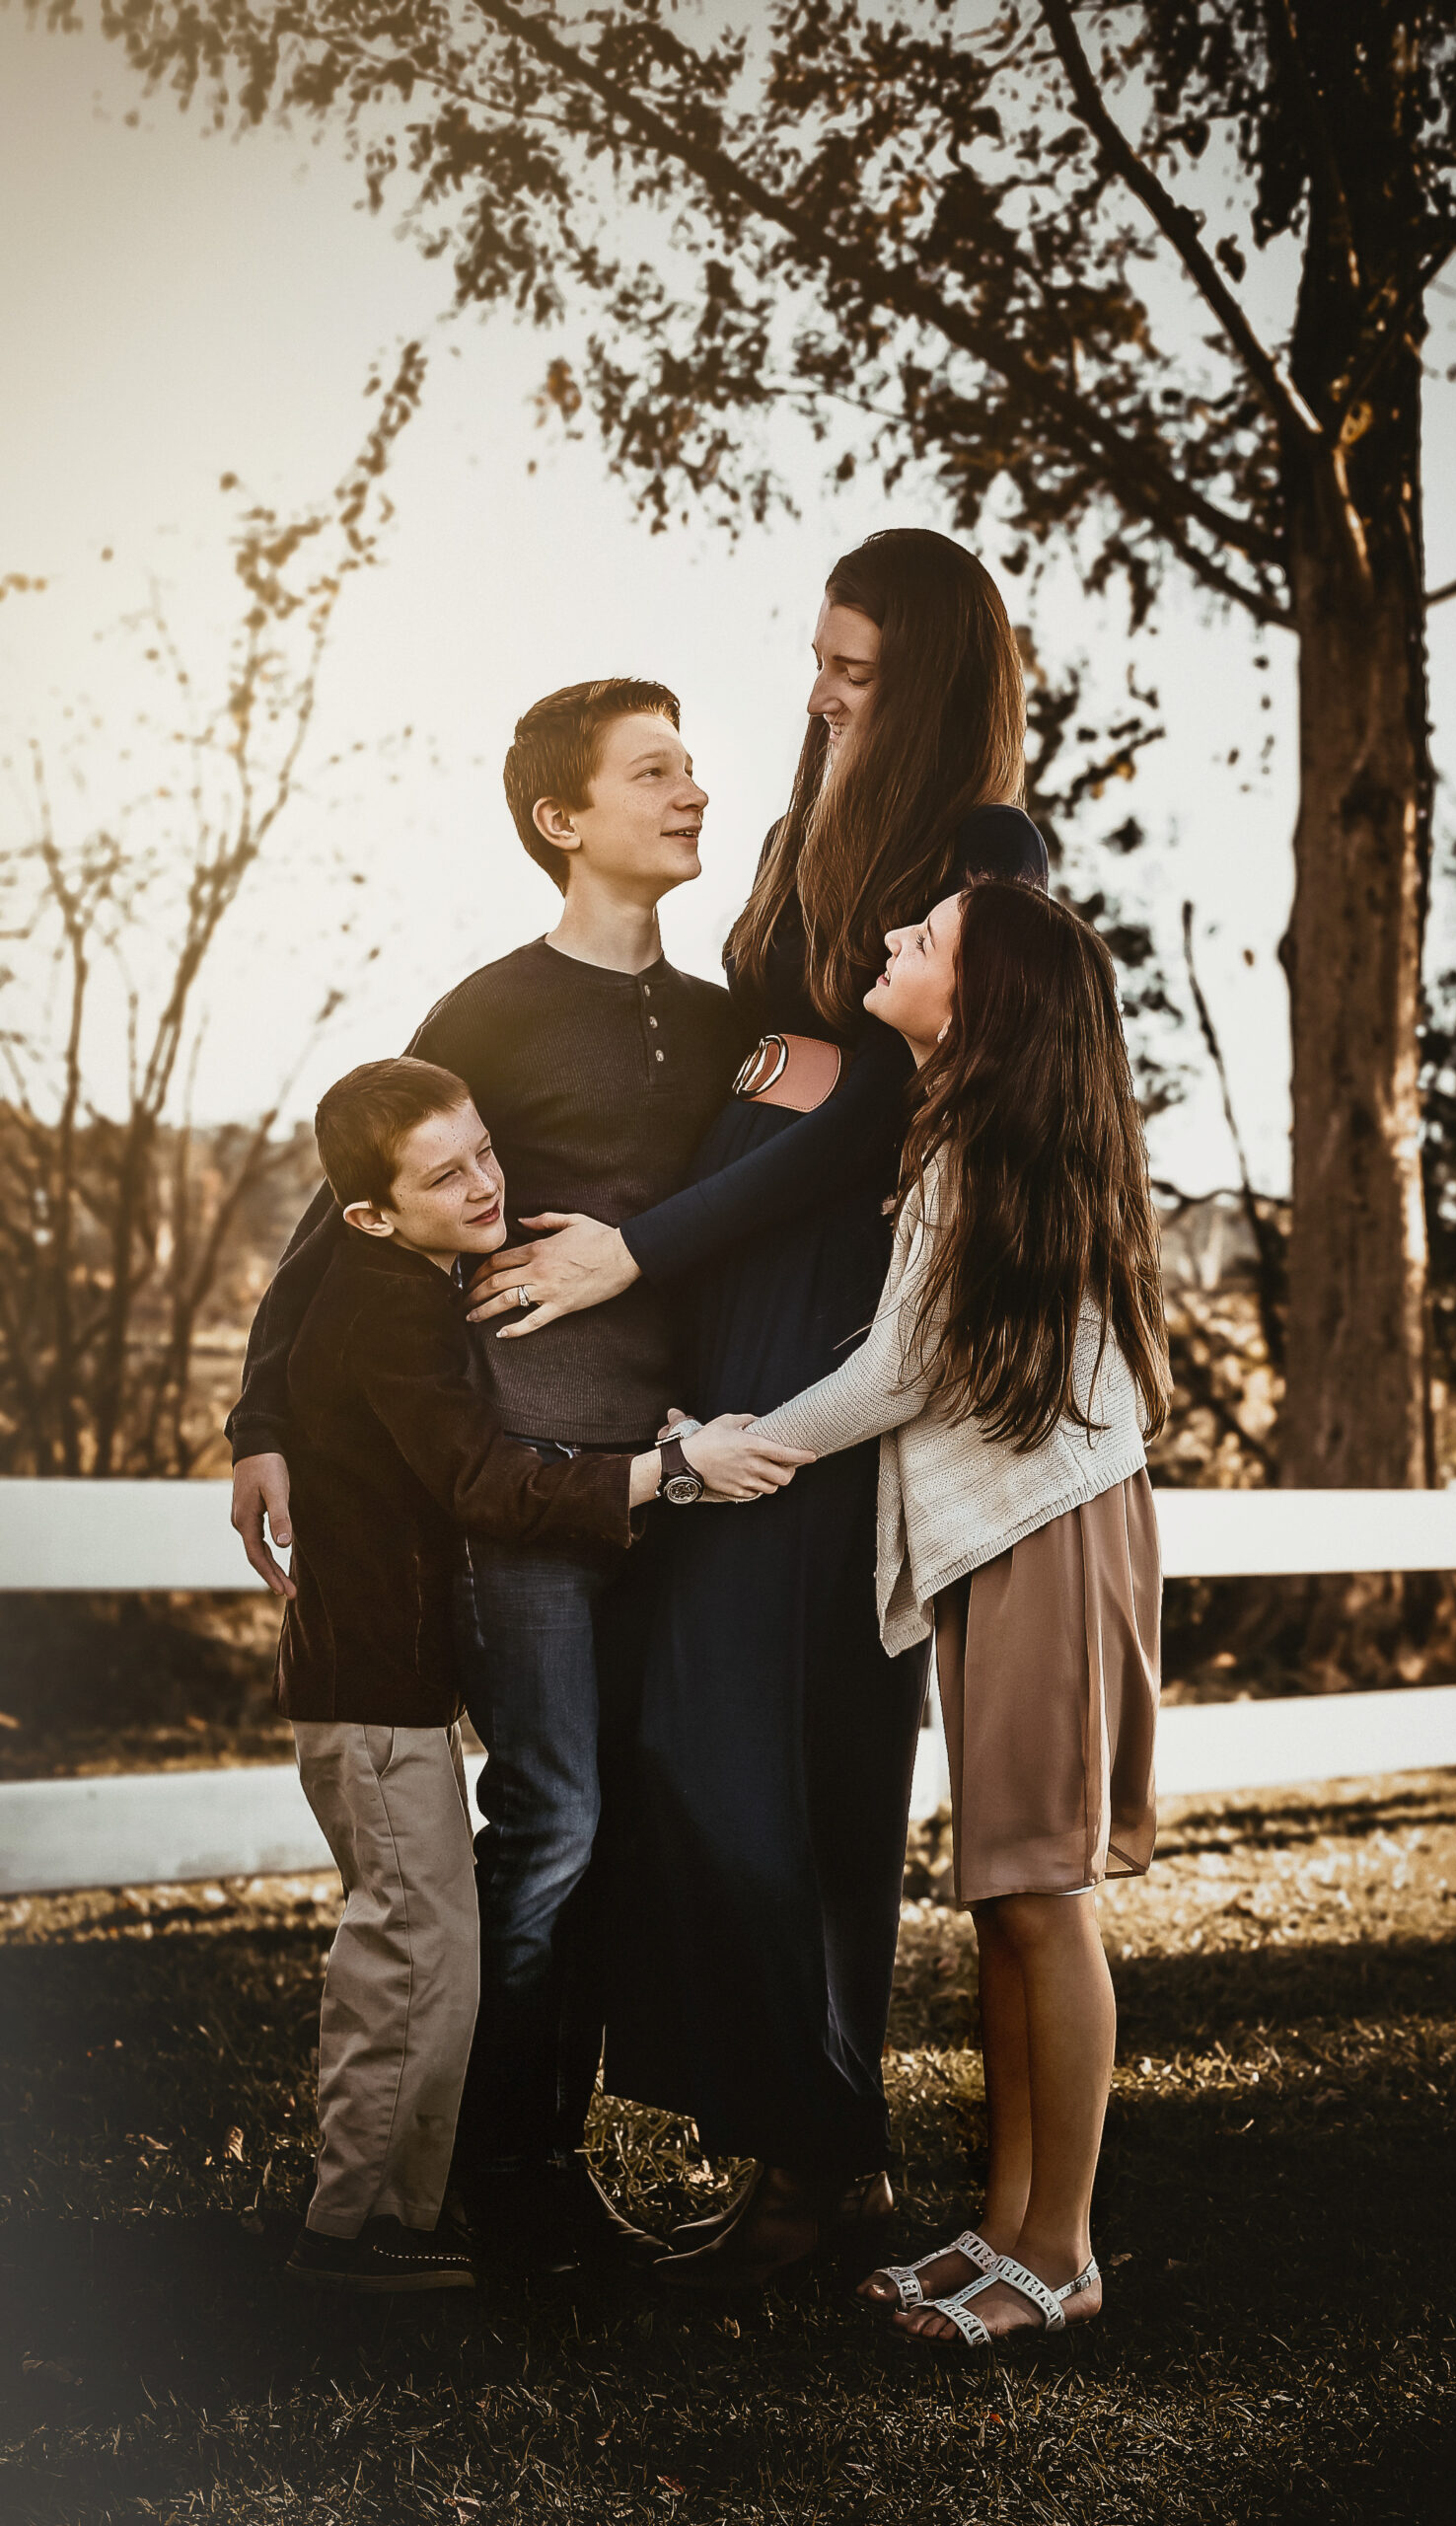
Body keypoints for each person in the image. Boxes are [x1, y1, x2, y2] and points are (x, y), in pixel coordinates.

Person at [466, 531, 1051, 2284]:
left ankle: (826, 2168)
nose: (817, 693)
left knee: (804, 1745)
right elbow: (778, 1065)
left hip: (823, 1341)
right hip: (719, 1334)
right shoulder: (811, 844)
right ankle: (779, 2133)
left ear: (934, 673)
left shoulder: (981, 853)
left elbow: (875, 1110)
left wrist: (635, 1252)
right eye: (817, 658)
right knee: (687, 1745)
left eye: (854, 670)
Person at [226, 680, 759, 2273]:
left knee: (628, 1829)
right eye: (651, 770)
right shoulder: (488, 1011)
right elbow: (343, 1221)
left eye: (690, 763)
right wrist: (260, 1419)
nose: (691, 789)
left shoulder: (728, 1024)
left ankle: (542, 2153)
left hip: (679, 1475)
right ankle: (494, 2169)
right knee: (554, 1817)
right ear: (560, 819)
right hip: (521, 1488)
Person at [278, 1054, 802, 2292]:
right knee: (409, 1951)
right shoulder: (390, 1305)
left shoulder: (393, 1274)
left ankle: (396, 2208)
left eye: (484, 1151)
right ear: (367, 1213)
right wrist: (673, 1472)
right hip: (372, 1685)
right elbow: (486, 1487)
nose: (483, 1184)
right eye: (443, 1173)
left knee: (426, 1948)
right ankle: (351, 2236)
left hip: (386, 1680)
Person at [751, 880, 1172, 2344]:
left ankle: (1057, 2255)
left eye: (919, 944)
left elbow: (896, 1371)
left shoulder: (986, 1140)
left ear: (980, 1003)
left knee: (1041, 1894)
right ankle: (1001, 2230)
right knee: (1004, 1896)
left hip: (1047, 1535)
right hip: (1005, 1542)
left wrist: (728, 1450)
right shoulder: (966, 1132)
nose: (888, 948)